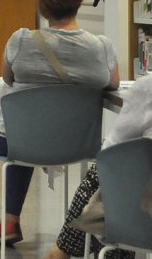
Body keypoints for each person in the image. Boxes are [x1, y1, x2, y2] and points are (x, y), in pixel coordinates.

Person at [0, 0, 119, 246]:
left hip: (20, 140)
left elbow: (8, 78)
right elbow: (113, 84)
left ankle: (10, 219)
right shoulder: (101, 47)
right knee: (26, 129)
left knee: (4, 100)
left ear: (41, 6)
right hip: (76, 142)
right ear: (79, 0)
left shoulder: (21, 40)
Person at [43, 75, 152, 259]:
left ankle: (62, 249)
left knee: (111, 169)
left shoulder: (147, 88)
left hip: (140, 217)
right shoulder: (99, 49)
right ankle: (63, 249)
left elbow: (111, 150)